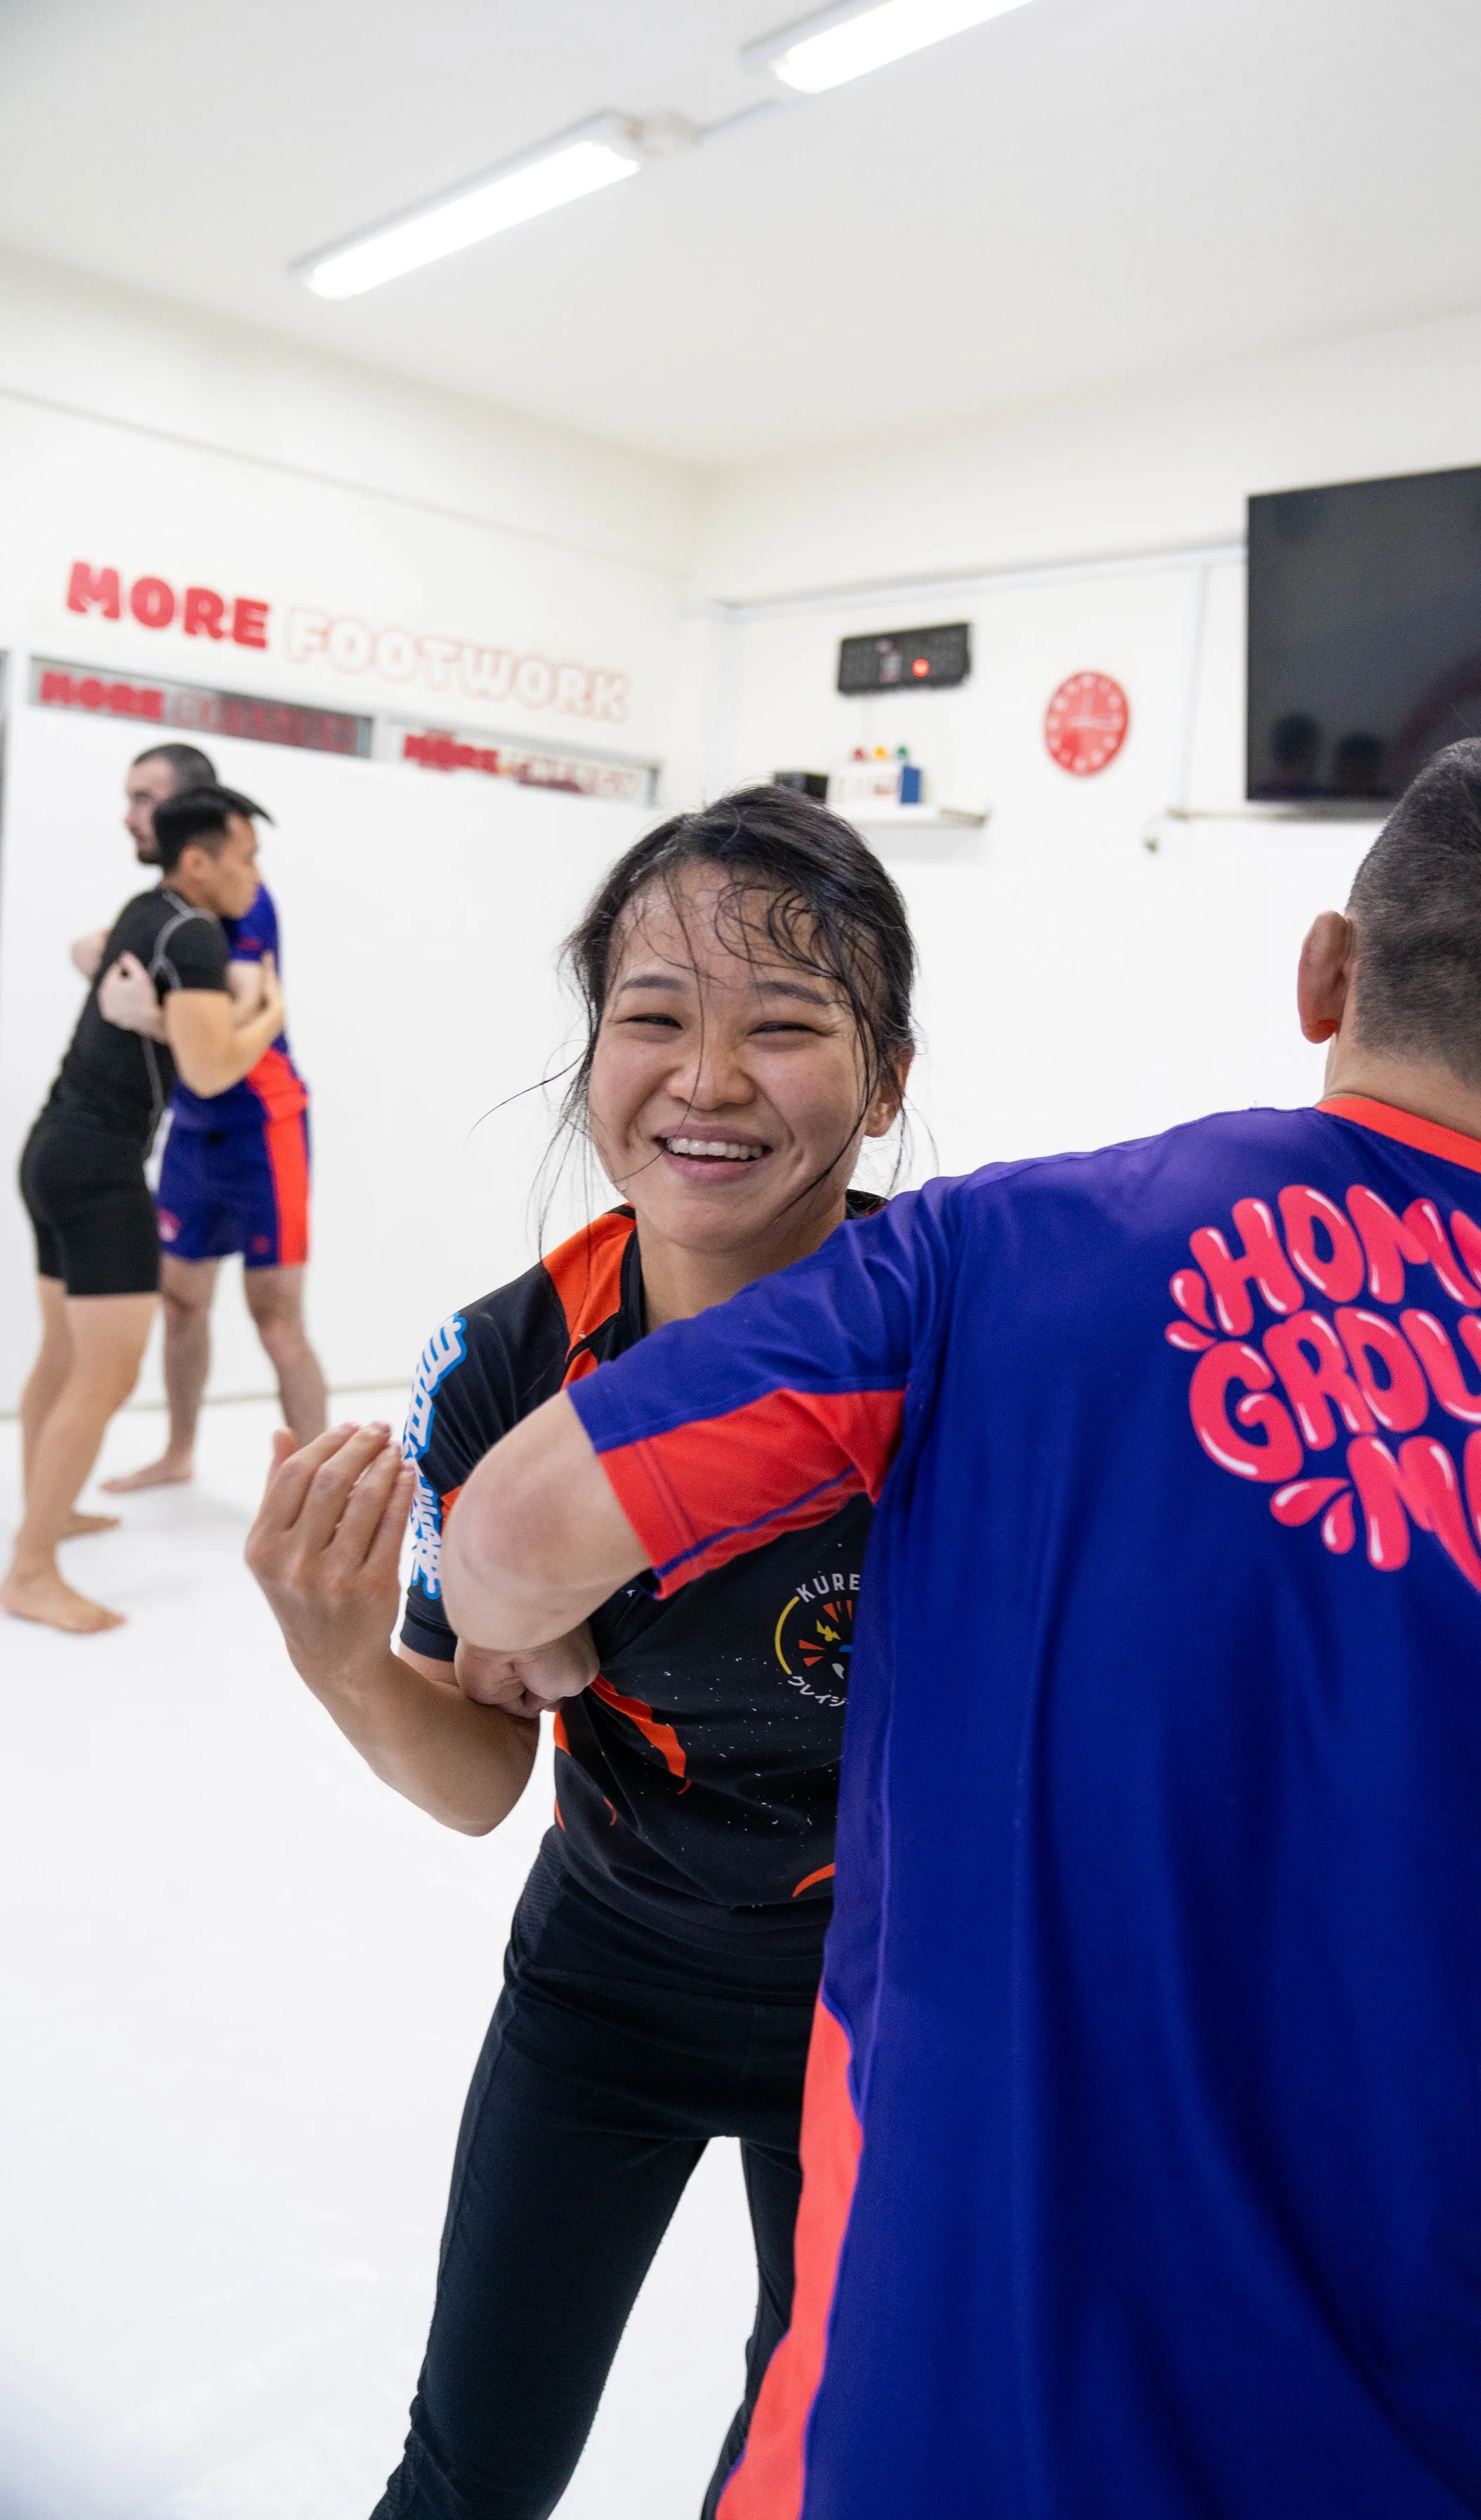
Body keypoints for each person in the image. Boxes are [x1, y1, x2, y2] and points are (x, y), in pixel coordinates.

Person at [428, 735, 1481, 2517]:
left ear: (1329, 972)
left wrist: (525, 1623)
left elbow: (509, 1540)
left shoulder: (996, 1258)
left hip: (937, 2425)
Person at [246, 788, 915, 2517]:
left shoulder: (967, 1338)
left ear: (888, 1075)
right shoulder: (505, 1357)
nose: (705, 1077)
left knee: (808, 2473)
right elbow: (479, 1780)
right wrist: (341, 1656)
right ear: (591, 1043)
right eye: (652, 1015)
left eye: (785, 1023)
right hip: (602, 1981)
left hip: (887, 2014)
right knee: (470, 2471)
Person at [8, 787, 287, 1634]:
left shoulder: (147, 909)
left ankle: (45, 1521)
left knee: (62, 1356)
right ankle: (29, 1570)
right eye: (244, 855)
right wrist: (268, 1015)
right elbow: (210, 1071)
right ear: (198, 861)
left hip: (53, 1150)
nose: (254, 873)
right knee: (107, 1373)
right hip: (99, 1171)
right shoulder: (196, 935)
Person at [80, 740, 325, 1491]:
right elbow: (96, 953)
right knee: (182, 1301)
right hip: (193, 1128)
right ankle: (179, 1452)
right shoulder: (167, 908)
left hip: (263, 1125)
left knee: (275, 1317)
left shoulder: (241, 894)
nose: (132, 816)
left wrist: (146, 1010)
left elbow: (232, 1022)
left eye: (146, 798)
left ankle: (322, 1481)